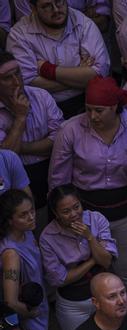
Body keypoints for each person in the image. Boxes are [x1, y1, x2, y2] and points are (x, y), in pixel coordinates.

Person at [47, 77, 127, 311]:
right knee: (91, 276)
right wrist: (60, 220)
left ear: (115, 108)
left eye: (99, 111)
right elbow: (58, 178)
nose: (93, 116)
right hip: (84, 215)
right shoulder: (71, 129)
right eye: (89, 110)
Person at [38, 185, 116, 330]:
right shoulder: (47, 237)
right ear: (55, 213)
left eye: (76, 207)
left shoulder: (96, 219)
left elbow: (107, 261)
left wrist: (89, 237)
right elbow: (59, 279)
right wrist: (93, 259)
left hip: (105, 294)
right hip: (72, 303)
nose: (74, 214)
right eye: (66, 212)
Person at [7, 0, 109, 116]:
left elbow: (100, 73)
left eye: (59, 1)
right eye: (47, 6)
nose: (56, 10)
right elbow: (29, 83)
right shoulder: (19, 35)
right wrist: (80, 75)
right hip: (43, 109)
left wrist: (47, 69)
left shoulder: (82, 22)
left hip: (86, 102)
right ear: (33, 8)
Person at [0, 49, 63, 210]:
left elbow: (60, 140)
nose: (17, 82)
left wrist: (23, 148)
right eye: (8, 78)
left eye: (18, 74)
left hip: (53, 169)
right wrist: (20, 117)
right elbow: (5, 161)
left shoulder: (41, 96)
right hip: (16, 183)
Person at [0, 189, 46, 330]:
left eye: (31, 210)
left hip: (40, 304)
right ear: (9, 220)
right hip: (30, 319)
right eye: (23, 215)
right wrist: (33, 313)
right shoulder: (11, 254)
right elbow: (11, 302)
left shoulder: (27, 232)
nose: (31, 217)